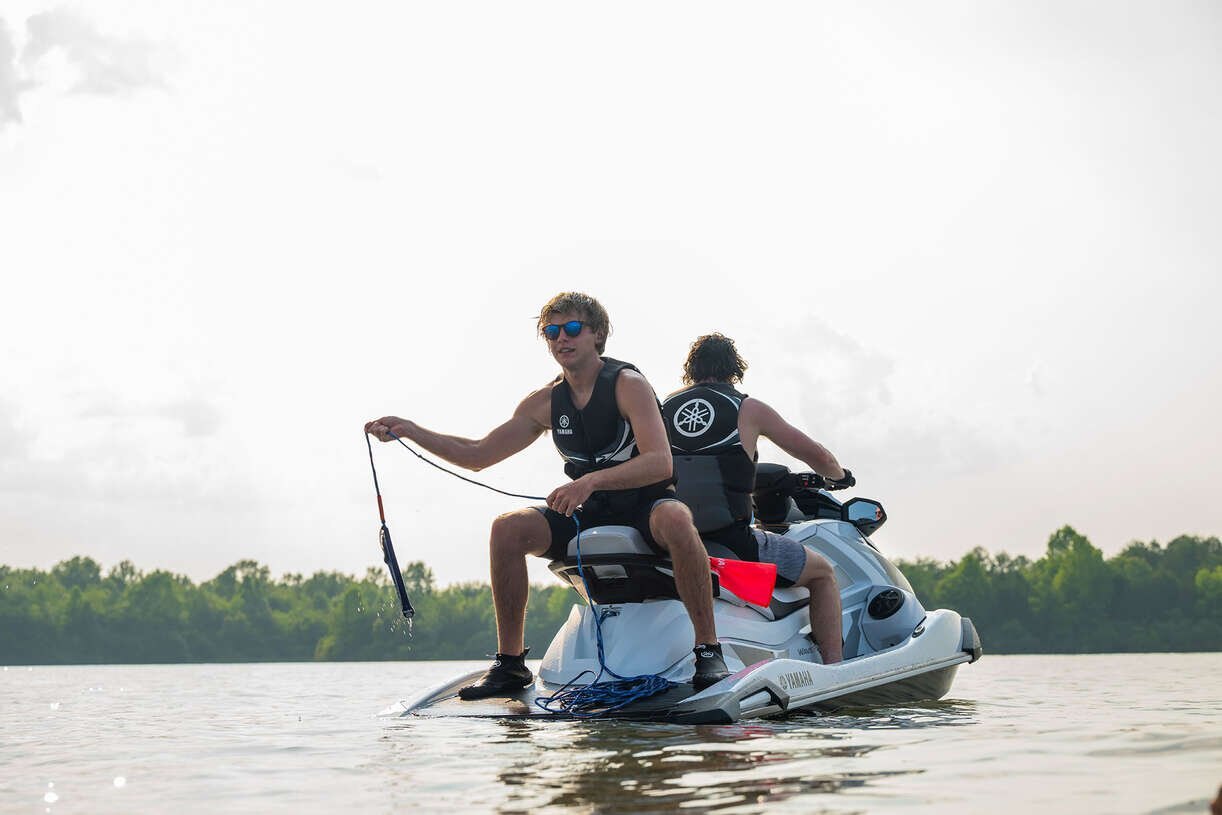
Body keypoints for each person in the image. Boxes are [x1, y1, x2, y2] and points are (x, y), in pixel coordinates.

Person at [366, 293, 731, 698]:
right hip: (587, 508)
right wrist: (412, 430)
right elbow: (477, 455)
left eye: (572, 328)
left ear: (598, 335)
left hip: (644, 504)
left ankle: (708, 650)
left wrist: (589, 482)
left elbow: (660, 463)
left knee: (677, 518)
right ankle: (510, 665)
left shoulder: (628, 386)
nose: (562, 338)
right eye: (551, 332)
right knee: (507, 529)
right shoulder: (545, 402)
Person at [662, 332, 853, 664]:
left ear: (691, 370)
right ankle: (836, 668)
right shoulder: (747, 408)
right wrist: (838, 476)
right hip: (734, 543)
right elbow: (817, 455)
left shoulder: (663, 408)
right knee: (823, 573)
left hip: (673, 543)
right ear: (734, 370)